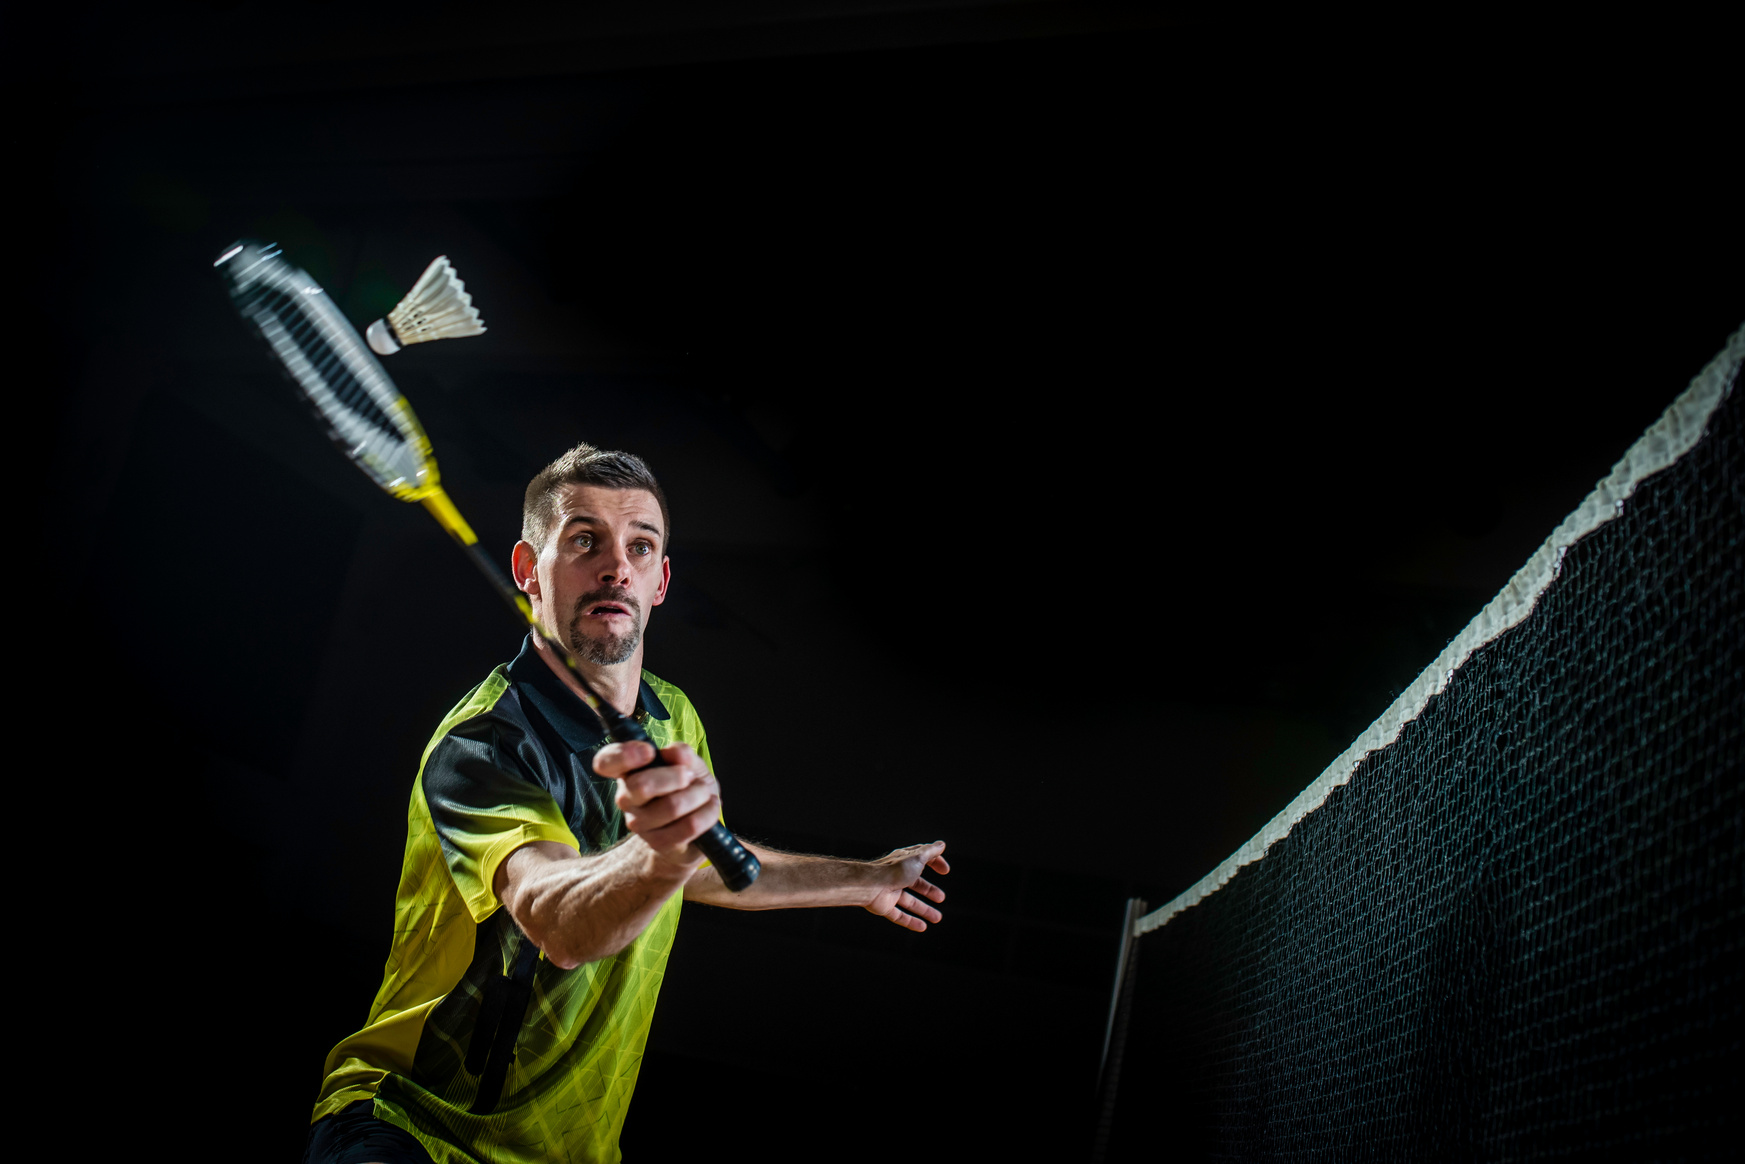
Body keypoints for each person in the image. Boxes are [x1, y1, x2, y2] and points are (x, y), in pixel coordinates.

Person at [305, 443, 949, 1164]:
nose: (617, 566)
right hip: (418, 1128)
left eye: (640, 547)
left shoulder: (672, 716)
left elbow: (704, 864)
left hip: (572, 1150)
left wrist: (867, 878)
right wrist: (658, 852)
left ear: (661, 580)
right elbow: (557, 922)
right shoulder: (485, 743)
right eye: (585, 541)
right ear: (527, 571)